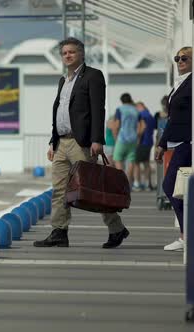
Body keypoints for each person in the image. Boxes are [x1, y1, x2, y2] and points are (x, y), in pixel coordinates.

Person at [34, 37, 129, 249]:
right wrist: (53, 140)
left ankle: (116, 229)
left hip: (81, 143)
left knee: (91, 188)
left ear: (82, 54)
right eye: (64, 53)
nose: (68, 56)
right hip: (61, 143)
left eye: (72, 52)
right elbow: (59, 112)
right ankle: (59, 231)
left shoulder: (93, 76)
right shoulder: (63, 80)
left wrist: (97, 139)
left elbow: (98, 109)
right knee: (59, 190)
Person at [154, 46, 192, 252]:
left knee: (170, 186)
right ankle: (187, 235)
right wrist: (162, 143)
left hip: (190, 143)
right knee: (176, 188)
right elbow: (173, 119)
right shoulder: (181, 85)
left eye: (184, 58)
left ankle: (186, 236)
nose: (179, 61)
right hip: (182, 143)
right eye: (177, 58)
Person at [111, 93, 143, 191]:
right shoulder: (136, 110)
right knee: (131, 161)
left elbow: (117, 125)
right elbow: (141, 125)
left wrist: (115, 137)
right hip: (133, 139)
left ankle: (121, 183)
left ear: (122, 100)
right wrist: (138, 137)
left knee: (117, 159)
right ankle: (128, 184)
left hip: (122, 138)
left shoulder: (120, 109)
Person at [134, 102, 156, 191]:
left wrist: (138, 139)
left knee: (136, 163)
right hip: (149, 142)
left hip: (142, 142)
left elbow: (143, 127)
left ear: (139, 106)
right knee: (146, 163)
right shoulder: (150, 115)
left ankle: (137, 184)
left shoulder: (141, 114)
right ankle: (147, 184)